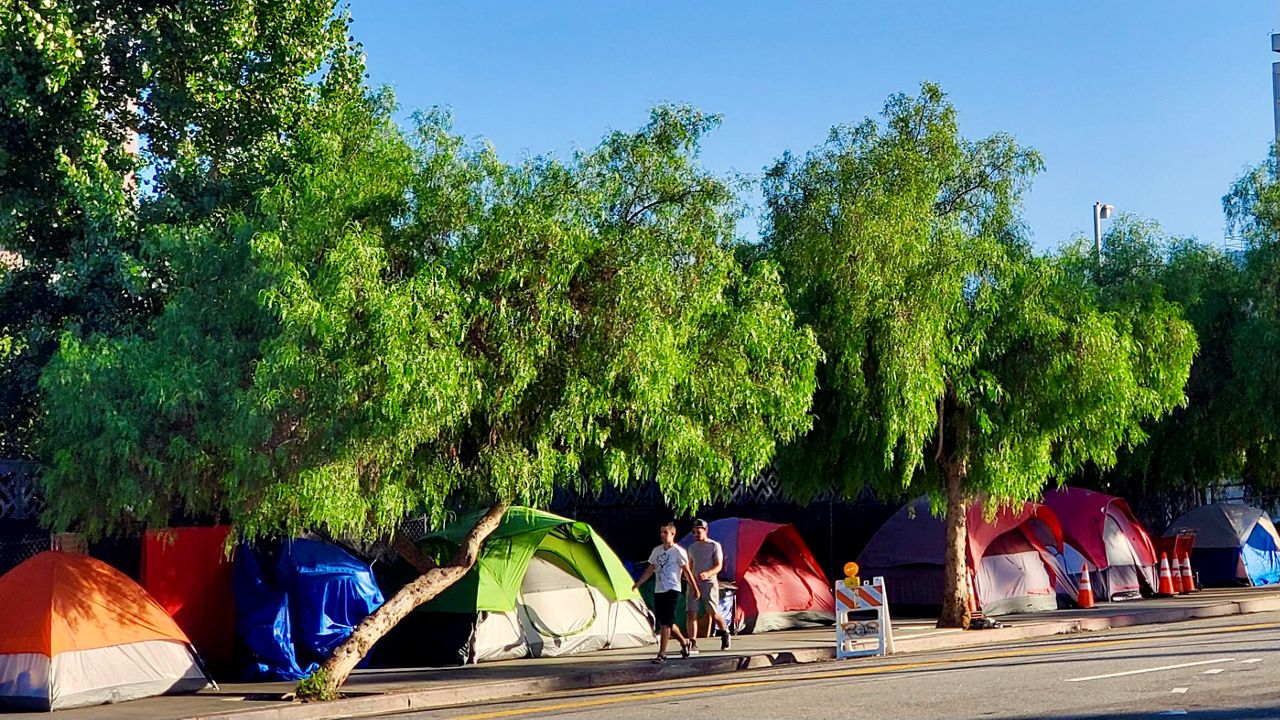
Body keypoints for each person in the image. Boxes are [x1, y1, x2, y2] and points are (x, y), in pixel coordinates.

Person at [632, 521, 700, 664]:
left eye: (666, 533)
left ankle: (662, 653)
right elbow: (650, 569)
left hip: (672, 589)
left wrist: (695, 588)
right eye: (661, 532)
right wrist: (638, 583)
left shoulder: (678, 552)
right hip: (659, 589)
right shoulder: (657, 551)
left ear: (672, 534)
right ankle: (684, 642)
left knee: (665, 624)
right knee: (666, 621)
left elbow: (687, 571)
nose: (663, 535)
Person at [685, 518, 732, 652]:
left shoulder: (714, 546)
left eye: (698, 532)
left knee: (713, 612)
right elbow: (691, 565)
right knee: (691, 612)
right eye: (694, 532)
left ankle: (724, 632)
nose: (696, 535)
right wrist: (689, 579)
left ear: (705, 531)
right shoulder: (692, 547)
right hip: (694, 583)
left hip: (709, 583)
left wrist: (708, 573)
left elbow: (718, 565)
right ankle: (692, 642)